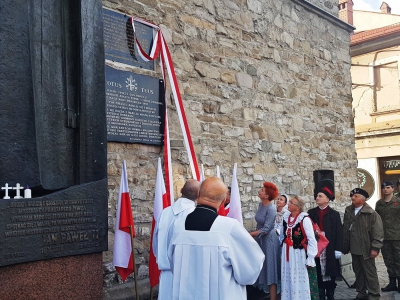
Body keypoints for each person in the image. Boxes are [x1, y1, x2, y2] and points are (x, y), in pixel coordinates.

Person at [167, 177, 265, 300]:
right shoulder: (230, 227)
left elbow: (172, 260)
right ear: (224, 200)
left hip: (185, 293)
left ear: (198, 194)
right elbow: (250, 268)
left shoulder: (177, 225)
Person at [152, 179, 201, 300]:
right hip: (187, 276)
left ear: (181, 191)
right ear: (199, 196)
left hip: (165, 275)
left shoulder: (164, 213)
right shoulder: (196, 215)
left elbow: (155, 244)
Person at [343, 188, 384, 300]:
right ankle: (361, 292)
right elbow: (345, 228)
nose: (353, 198)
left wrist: (375, 248)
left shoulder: (371, 214)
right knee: (358, 272)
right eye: (352, 196)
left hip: (366, 248)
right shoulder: (349, 210)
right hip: (354, 248)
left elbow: (378, 232)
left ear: (363, 199)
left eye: (356, 196)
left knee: (370, 273)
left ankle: (374, 294)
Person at [280, 195, 319, 300]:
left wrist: (311, 257)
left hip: (298, 253)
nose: (289, 204)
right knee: (287, 276)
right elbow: (281, 234)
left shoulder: (304, 219)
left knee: (298, 277)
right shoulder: (286, 217)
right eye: (290, 202)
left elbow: (311, 239)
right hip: (286, 252)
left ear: (298, 207)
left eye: (292, 203)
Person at [308, 187, 343, 300]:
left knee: (330, 270)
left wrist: (338, 249)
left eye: (320, 196)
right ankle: (320, 294)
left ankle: (330, 293)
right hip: (316, 245)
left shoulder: (334, 214)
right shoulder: (311, 213)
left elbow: (339, 232)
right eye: (317, 196)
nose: (317, 198)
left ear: (327, 199)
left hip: (329, 246)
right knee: (318, 269)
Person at [250, 182, 280, 300]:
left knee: (270, 268)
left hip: (269, 242)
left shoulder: (271, 208)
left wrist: (249, 235)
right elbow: (259, 224)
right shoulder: (260, 205)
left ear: (267, 196)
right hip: (260, 239)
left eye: (262, 190)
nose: (259, 191)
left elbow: (266, 228)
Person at [375, 181, 400, 293]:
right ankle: (392, 282)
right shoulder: (379, 203)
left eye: (388, 187)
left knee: (398, 260)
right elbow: (376, 220)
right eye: (383, 187)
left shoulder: (398, 202)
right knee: (388, 260)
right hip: (384, 237)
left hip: (397, 236)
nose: (385, 189)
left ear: (393, 189)